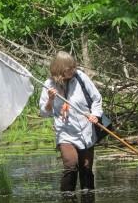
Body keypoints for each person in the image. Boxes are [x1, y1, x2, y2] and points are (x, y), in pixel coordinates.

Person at [39, 51, 103, 192]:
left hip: (86, 130)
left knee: (86, 167)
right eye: (69, 69)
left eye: (74, 67)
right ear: (60, 69)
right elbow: (44, 113)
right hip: (65, 132)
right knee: (71, 166)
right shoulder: (49, 84)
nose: (73, 70)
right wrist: (50, 99)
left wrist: (95, 114)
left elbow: (97, 99)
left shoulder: (81, 78)